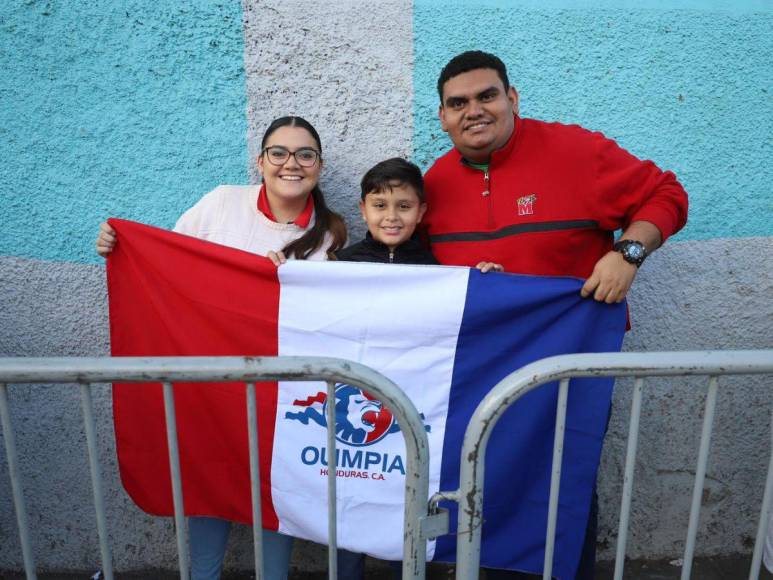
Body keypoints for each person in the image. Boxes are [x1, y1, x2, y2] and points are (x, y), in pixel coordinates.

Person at [422, 51, 689, 578]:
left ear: (512, 98)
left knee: (562, 488)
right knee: (479, 484)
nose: (473, 110)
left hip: (570, 369)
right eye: (458, 103)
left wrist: (627, 254)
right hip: (477, 374)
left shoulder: (576, 150)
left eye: (486, 96)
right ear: (443, 117)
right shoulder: (432, 183)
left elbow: (667, 193)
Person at [96, 115, 346, 580]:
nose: (291, 163)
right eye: (279, 152)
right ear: (261, 161)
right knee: (206, 482)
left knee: (277, 491)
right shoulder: (221, 203)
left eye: (305, 154)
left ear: (319, 165)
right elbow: (169, 264)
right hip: (211, 383)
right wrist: (120, 245)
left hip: (281, 391)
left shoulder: (331, 234)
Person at [333, 157, 501, 580]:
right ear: (362, 209)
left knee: (403, 502)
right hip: (350, 409)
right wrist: (277, 270)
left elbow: (465, 312)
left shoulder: (436, 269)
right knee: (346, 499)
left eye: (404, 206)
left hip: (412, 412)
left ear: (421, 211)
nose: (391, 217)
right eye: (380, 205)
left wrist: (488, 283)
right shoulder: (337, 268)